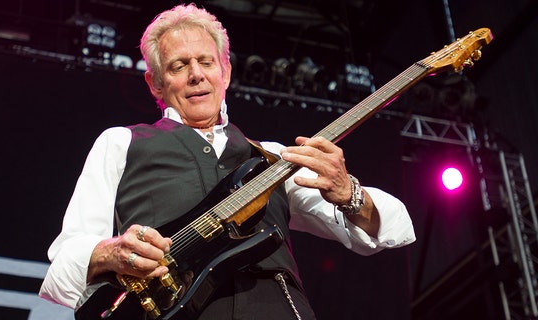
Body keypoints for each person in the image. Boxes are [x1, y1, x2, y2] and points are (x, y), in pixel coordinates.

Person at [39, 3, 416, 319]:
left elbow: (388, 228)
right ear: (155, 83)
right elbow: (64, 262)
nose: (196, 75)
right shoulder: (120, 142)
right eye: (178, 66)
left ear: (226, 72)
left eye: (206, 61)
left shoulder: (272, 156)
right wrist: (112, 252)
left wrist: (348, 191)